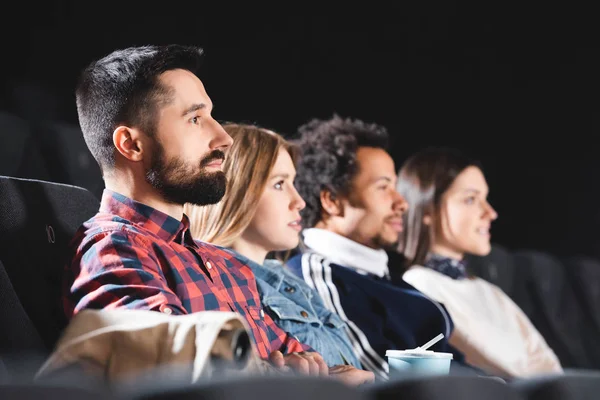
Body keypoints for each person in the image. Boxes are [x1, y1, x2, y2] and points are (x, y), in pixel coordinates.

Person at [63, 45, 356, 381]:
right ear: (131, 145)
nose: (223, 137)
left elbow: (302, 360)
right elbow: (173, 366)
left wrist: (327, 375)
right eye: (195, 119)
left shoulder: (228, 265)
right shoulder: (113, 249)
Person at [286, 115, 463, 379]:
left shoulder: (380, 274)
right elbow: (379, 375)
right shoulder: (316, 275)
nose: (401, 203)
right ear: (332, 200)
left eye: (395, 186)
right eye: (383, 187)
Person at [185, 123, 365, 373]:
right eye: (279, 184)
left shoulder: (287, 280)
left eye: (294, 183)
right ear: (235, 191)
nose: (299, 201)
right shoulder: (210, 284)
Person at [397, 147, 562, 378]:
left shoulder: (489, 292)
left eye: (485, 199)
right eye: (471, 199)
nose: (490, 213)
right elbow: (486, 367)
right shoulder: (417, 286)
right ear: (427, 209)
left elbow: (549, 367)